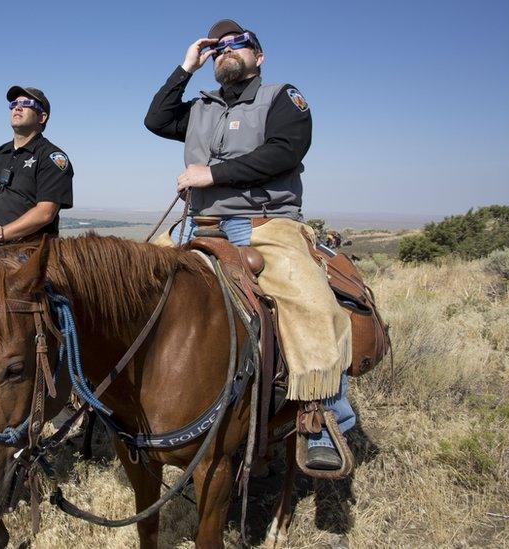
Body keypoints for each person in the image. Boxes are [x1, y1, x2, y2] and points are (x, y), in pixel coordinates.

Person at [144, 19, 354, 470]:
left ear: (259, 57)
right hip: (198, 224)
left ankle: (323, 418)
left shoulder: (281, 98)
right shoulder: (201, 106)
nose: (226, 51)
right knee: (137, 281)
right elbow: (156, 119)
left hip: (264, 222)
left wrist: (212, 174)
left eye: (238, 45)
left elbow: (287, 150)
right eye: (218, 48)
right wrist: (185, 67)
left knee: (309, 298)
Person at [0, 86, 74, 251]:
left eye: (27, 103)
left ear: (42, 117)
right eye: (14, 104)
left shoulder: (52, 157)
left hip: (32, 255)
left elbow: (45, 213)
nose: (17, 107)